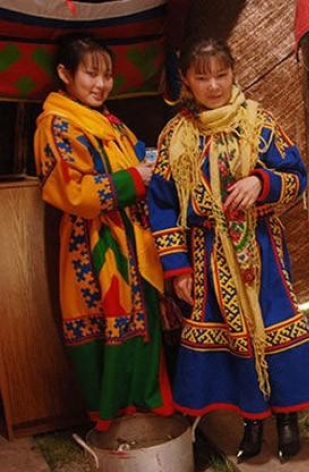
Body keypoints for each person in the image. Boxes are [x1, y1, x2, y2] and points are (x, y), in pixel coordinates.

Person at [147, 38, 309, 463]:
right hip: (206, 255)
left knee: (273, 330)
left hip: (261, 252)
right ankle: (252, 421)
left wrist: (261, 182)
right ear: (186, 82)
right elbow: (160, 206)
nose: (213, 85)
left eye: (221, 74)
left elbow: (295, 176)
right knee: (233, 340)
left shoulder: (259, 124)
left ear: (233, 73)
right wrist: (177, 270)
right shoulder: (177, 136)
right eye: (202, 77)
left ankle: (287, 419)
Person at [33, 33, 174, 431]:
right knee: (109, 323)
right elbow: (69, 190)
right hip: (92, 244)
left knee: (142, 323)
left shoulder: (108, 120)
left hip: (132, 238)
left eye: (108, 75)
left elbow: (138, 155)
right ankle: (118, 422)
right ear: (65, 74)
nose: (101, 84)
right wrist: (134, 178)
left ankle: (150, 415)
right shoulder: (55, 125)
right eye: (91, 74)